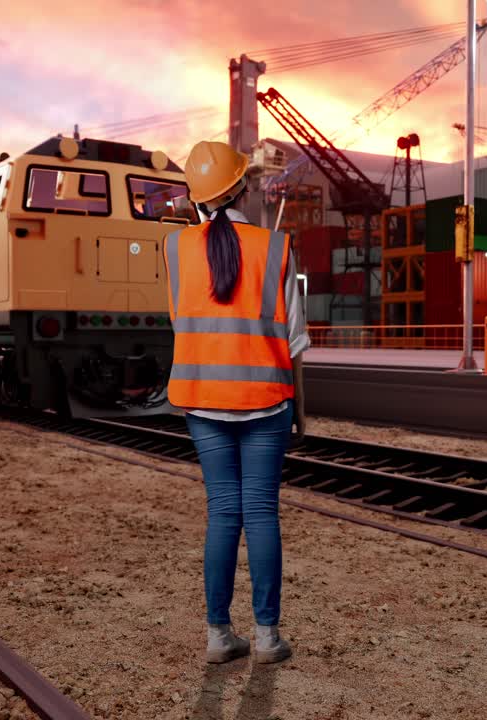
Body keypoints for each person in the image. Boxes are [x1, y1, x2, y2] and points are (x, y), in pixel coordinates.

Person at [163, 140, 309, 665]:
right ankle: (267, 638)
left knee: (223, 512)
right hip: (268, 400)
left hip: (203, 401)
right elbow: (293, 340)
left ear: (196, 200)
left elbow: (181, 321)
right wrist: (302, 412)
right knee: (261, 512)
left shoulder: (175, 249)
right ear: (244, 188)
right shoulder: (276, 247)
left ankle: (219, 636)